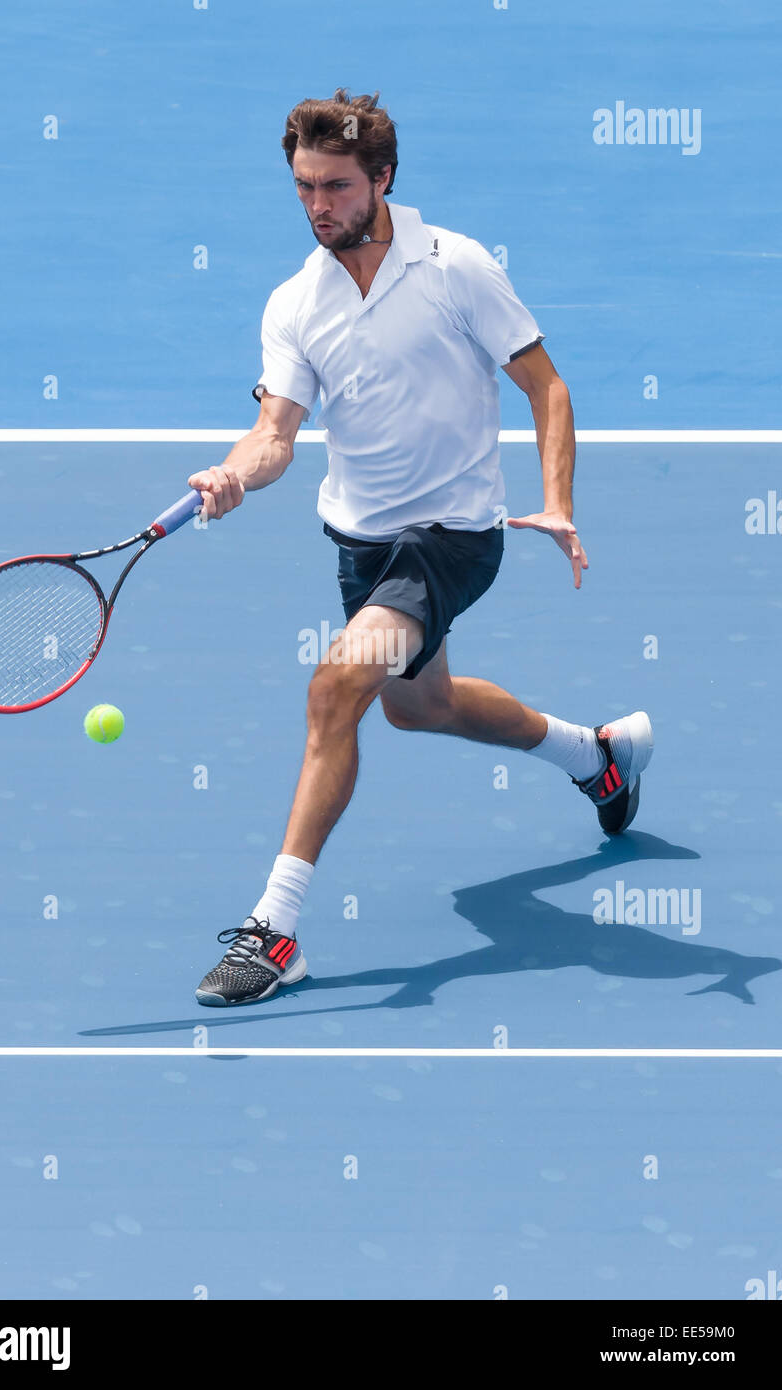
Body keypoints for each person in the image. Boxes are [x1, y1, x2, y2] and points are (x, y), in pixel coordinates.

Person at [188, 89, 653, 1007]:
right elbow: (275, 431)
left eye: (337, 186)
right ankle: (594, 757)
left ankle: (273, 933)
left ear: (383, 180)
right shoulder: (296, 303)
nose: (319, 206)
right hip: (363, 544)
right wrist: (238, 470)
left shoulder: (457, 268)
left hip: (453, 538)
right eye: (302, 189)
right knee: (419, 707)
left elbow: (546, 387)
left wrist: (557, 500)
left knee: (335, 691)